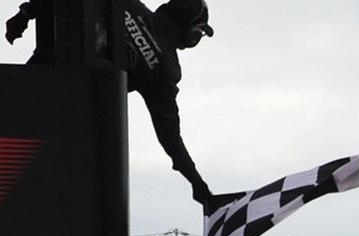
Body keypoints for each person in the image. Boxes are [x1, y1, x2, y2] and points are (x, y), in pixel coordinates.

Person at [6, 0, 214, 205]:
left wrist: (25, 14)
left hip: (34, 81)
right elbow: (170, 137)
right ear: (190, 27)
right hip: (65, 113)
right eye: (201, 30)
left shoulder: (130, 5)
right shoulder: (165, 70)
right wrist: (196, 181)